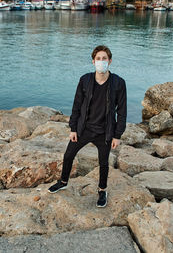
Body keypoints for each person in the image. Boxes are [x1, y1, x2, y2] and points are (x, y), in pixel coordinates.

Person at [48, 45, 127, 208]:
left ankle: (102, 190)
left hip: (105, 132)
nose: (101, 62)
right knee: (68, 155)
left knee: (103, 163)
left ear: (110, 61)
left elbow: (122, 111)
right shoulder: (85, 80)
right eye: (98, 59)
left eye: (104, 59)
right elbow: (77, 105)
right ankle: (63, 181)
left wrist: (117, 135)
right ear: (93, 62)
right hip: (84, 128)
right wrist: (73, 128)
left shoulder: (118, 83)